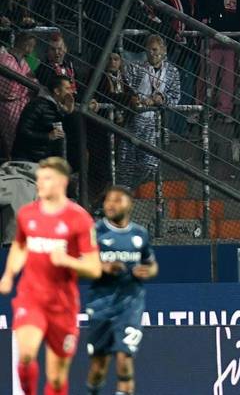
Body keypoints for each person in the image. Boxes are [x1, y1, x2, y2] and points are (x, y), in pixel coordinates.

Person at [1, 157, 100, 395]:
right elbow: (19, 246)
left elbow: (94, 268)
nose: (40, 184)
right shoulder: (27, 215)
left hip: (62, 304)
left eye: (46, 179)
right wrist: (9, 274)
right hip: (31, 298)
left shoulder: (79, 219)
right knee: (25, 355)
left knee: (56, 379)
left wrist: (66, 260)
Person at [84, 186, 157, 395]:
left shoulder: (139, 234)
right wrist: (102, 267)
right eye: (108, 201)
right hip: (101, 304)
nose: (111, 204)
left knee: (124, 361)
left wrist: (148, 271)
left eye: (117, 200)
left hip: (130, 304)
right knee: (99, 367)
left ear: (130, 204)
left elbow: (151, 264)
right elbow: (79, 265)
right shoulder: (95, 232)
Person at [120, 35, 180, 188]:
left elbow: (175, 96)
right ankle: (122, 192)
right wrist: (137, 99)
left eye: (155, 50)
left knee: (150, 165)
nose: (152, 53)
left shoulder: (172, 71)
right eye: (149, 50)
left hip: (154, 122)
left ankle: (130, 188)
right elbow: (127, 88)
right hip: (134, 119)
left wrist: (161, 99)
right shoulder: (135, 67)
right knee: (126, 163)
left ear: (164, 50)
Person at [12, 76, 75, 165]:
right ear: (57, 91)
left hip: (42, 161)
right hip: (25, 158)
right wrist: (47, 136)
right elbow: (22, 131)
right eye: (67, 89)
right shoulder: (37, 105)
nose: (71, 92)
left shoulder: (58, 109)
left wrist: (68, 112)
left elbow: (61, 137)